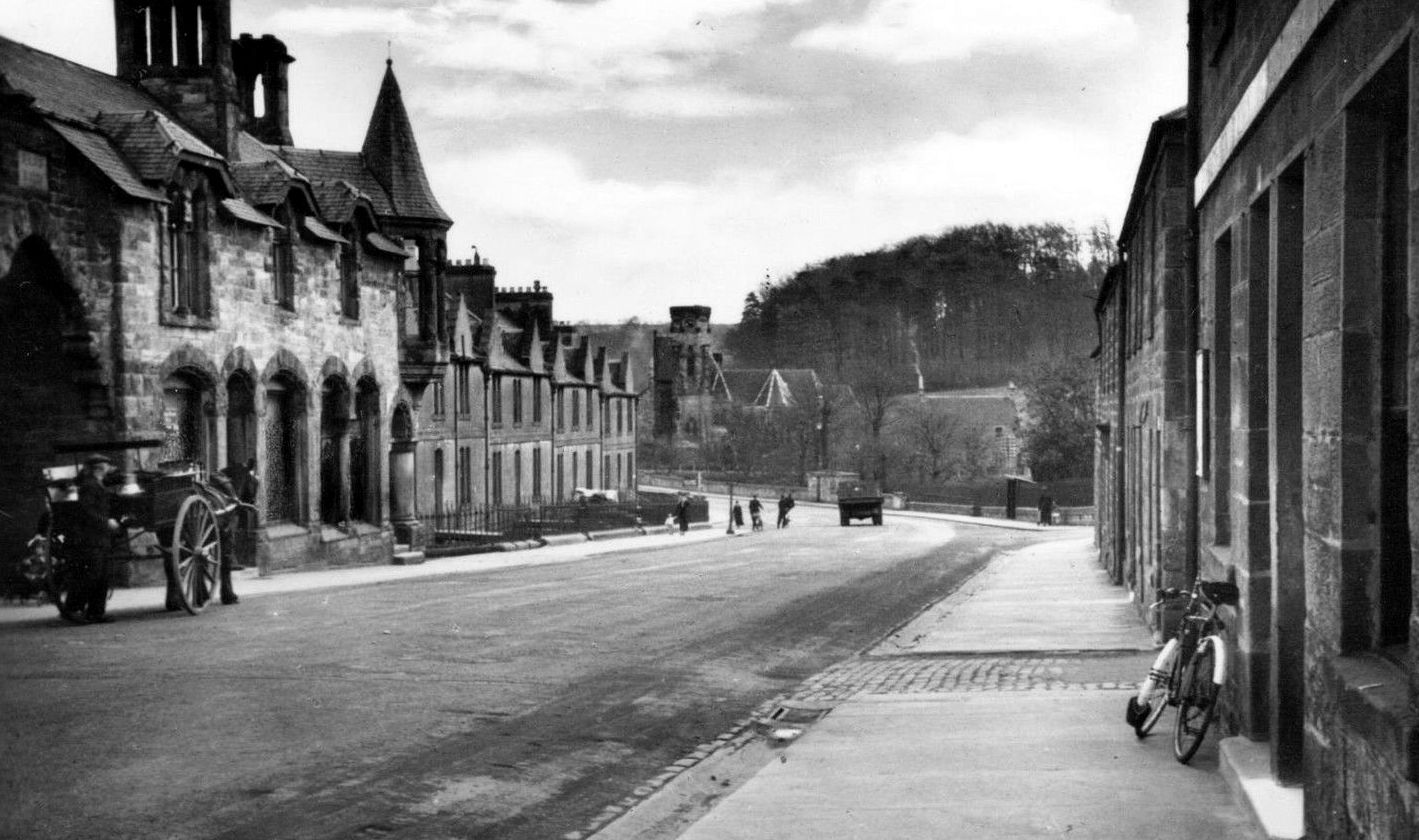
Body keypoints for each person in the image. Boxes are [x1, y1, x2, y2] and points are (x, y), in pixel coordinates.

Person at [66, 454, 121, 624]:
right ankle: (73, 609)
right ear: (100, 468)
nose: (108, 468)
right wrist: (107, 522)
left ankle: (96, 611)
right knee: (91, 574)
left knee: (102, 575)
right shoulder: (89, 486)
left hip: (100, 538)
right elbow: (87, 511)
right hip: (89, 538)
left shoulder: (97, 484)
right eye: (106, 465)